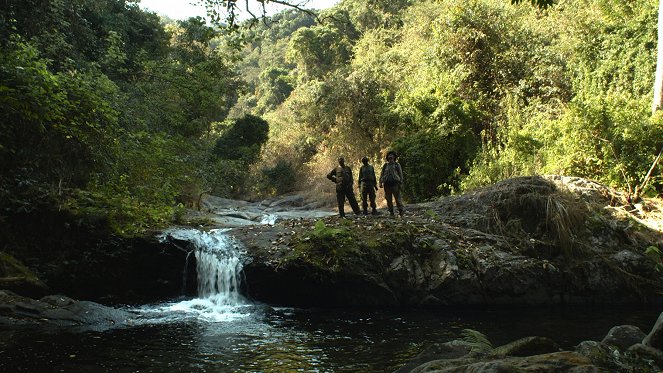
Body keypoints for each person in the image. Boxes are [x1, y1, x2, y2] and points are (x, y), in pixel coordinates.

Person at [379, 150, 405, 217]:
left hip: (395, 184)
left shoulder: (397, 165)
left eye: (392, 156)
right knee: (389, 200)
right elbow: (382, 174)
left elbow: (400, 174)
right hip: (387, 184)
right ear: (387, 158)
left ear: (394, 157)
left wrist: (401, 183)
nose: (390, 157)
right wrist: (380, 182)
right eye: (389, 156)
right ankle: (391, 212)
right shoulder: (385, 165)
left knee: (398, 199)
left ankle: (401, 212)